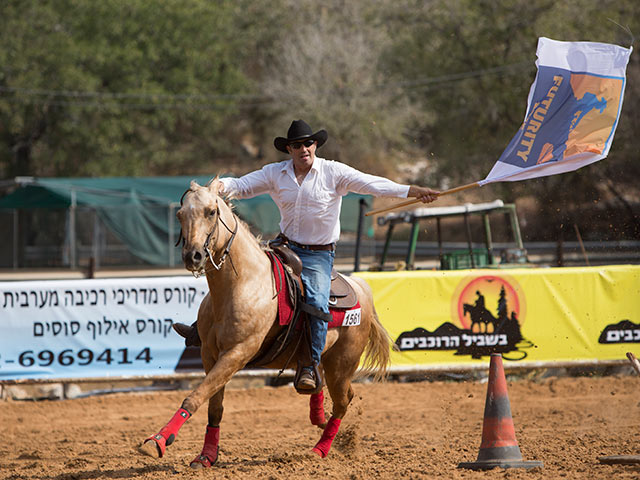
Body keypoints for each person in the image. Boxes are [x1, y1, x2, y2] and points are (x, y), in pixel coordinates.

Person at [180, 119, 439, 390]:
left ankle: (310, 364)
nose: (303, 148)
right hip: (284, 246)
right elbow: (242, 186)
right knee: (241, 277)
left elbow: (371, 184)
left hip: (318, 255)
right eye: (296, 145)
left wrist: (412, 191)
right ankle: (203, 328)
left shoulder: (333, 172)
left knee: (316, 300)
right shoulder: (275, 173)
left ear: (315, 145)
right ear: (289, 149)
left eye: (307, 143)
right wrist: (218, 188)